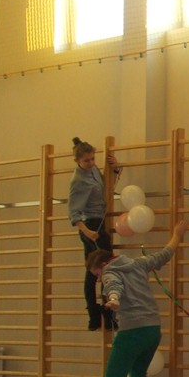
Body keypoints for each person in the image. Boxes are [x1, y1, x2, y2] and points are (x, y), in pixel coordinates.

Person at [82, 220, 187, 377]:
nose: (98, 279)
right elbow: (164, 254)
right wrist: (176, 234)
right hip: (153, 330)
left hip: (132, 332)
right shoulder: (138, 264)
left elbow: (113, 285)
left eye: (96, 274)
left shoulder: (110, 272)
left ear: (102, 265)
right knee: (138, 376)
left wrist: (113, 299)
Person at [68, 137, 121, 331]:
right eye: (86, 160)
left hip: (98, 222)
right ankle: (103, 314)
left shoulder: (94, 171)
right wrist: (87, 232)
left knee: (94, 271)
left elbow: (105, 188)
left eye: (92, 159)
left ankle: (98, 317)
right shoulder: (78, 180)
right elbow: (73, 212)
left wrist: (115, 169)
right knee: (106, 268)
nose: (91, 163)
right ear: (77, 161)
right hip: (90, 225)